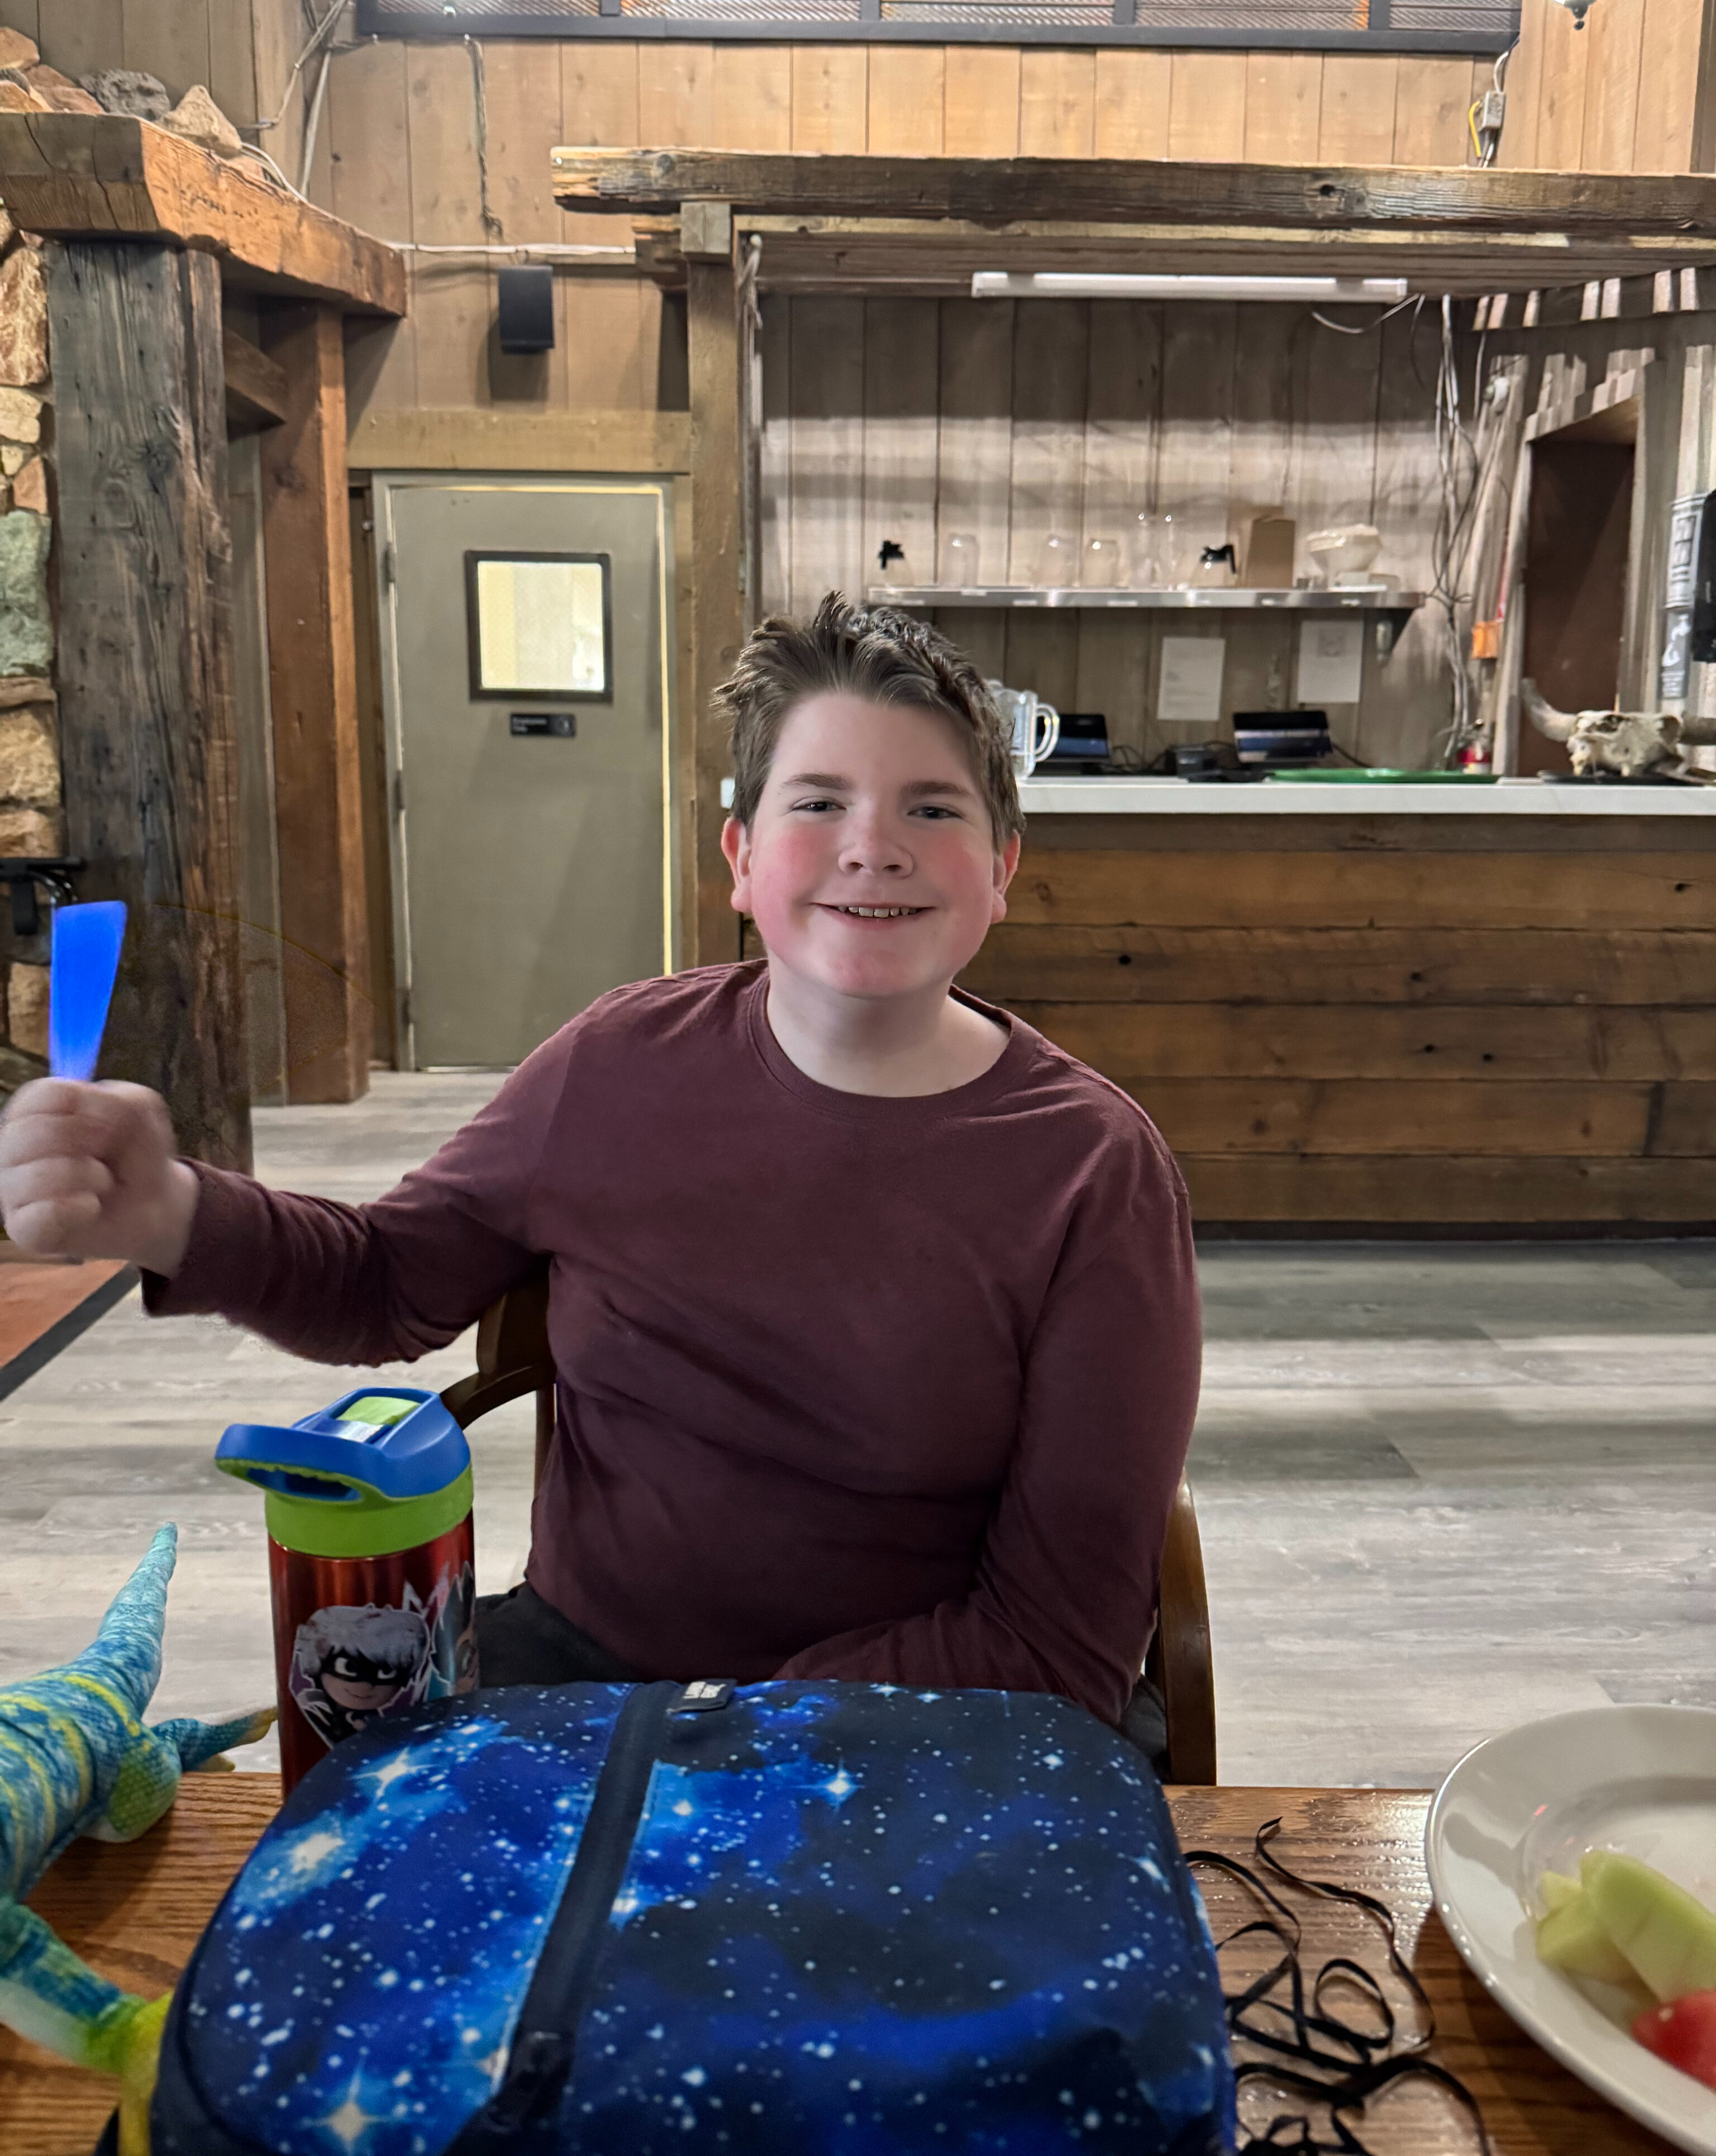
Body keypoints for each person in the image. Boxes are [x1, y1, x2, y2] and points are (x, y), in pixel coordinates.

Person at [0, 597, 1199, 1761]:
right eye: (819, 798)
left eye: (931, 807)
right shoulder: (618, 1062)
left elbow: (1061, 1640)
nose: (871, 842)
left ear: (1003, 867)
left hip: (933, 1727)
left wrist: (722, 1734)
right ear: (741, 855)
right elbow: (382, 1281)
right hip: (587, 1679)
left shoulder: (1093, 1169)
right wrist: (169, 1210)